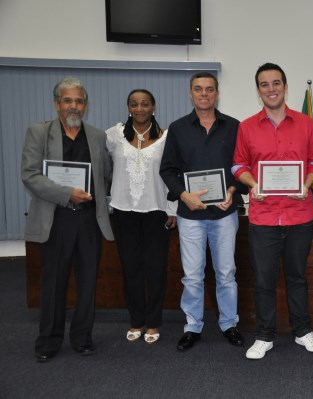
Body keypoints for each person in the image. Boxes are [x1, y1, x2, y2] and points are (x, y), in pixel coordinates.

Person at [232, 62, 313, 360]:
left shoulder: (306, 124)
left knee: (297, 277)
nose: (271, 89)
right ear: (258, 90)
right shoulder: (246, 127)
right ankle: (264, 336)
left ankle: (302, 332)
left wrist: (308, 183)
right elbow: (238, 165)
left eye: (276, 83)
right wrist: (252, 183)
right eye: (264, 84)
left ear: (286, 88)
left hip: (299, 214)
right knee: (264, 280)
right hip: (263, 215)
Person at [21, 77, 114, 362]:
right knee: (53, 284)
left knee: (87, 283)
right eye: (68, 100)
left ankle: (82, 337)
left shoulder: (98, 136)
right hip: (56, 217)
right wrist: (67, 194)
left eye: (79, 101)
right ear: (57, 104)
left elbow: (106, 175)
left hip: (88, 221)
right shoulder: (39, 132)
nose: (74, 106)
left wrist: (91, 195)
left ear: (85, 105)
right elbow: (30, 175)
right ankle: (48, 341)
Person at [160, 72, 245, 352]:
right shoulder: (177, 128)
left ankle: (229, 323)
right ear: (191, 93)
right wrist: (183, 195)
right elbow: (168, 170)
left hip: (224, 214)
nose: (204, 94)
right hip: (190, 216)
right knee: (192, 276)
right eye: (198, 89)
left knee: (226, 273)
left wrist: (232, 190)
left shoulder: (234, 127)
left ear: (217, 93)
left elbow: (243, 167)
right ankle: (192, 326)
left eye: (209, 89)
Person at [106, 89, 177, 345]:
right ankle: (136, 320)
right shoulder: (113, 136)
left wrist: (173, 209)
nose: (139, 108)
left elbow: (172, 174)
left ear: (153, 107)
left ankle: (154, 322)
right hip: (124, 211)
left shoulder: (167, 137)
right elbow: (92, 154)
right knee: (131, 268)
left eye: (144, 104)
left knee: (156, 268)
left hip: (156, 210)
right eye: (134, 104)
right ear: (128, 108)